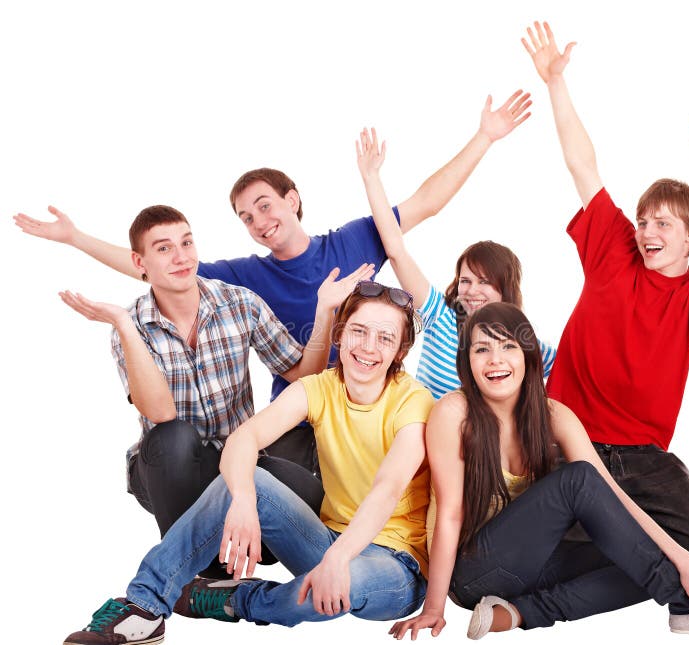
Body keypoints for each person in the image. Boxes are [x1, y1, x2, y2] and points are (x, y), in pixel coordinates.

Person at [14, 90, 531, 475]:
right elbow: (156, 268)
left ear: (293, 199)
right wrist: (76, 237)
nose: (259, 221)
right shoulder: (244, 277)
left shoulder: (354, 240)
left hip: (373, 410)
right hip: (302, 418)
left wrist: (484, 136)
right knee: (283, 491)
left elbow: (427, 201)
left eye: (265, 206)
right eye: (245, 217)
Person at [64, 281, 435, 645]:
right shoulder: (320, 387)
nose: (369, 347)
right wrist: (242, 499)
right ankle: (143, 606)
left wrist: (338, 558)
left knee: (338, 587)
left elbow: (388, 488)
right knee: (243, 478)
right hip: (325, 540)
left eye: (385, 338)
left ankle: (234, 599)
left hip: (395, 564)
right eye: (359, 331)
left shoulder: (414, 402)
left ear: (400, 352)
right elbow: (245, 439)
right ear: (340, 334)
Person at [521, 19, 689, 599]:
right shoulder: (615, 250)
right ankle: (561, 566)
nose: (647, 231)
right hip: (567, 437)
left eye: (663, 224)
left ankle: (598, 548)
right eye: (645, 220)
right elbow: (583, 165)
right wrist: (555, 83)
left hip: (640, 456)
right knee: (593, 529)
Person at [389, 303, 689, 640]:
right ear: (467, 360)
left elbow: (612, 495)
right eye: (482, 349)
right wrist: (435, 605)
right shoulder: (454, 414)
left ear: (527, 356)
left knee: (635, 552)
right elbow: (451, 514)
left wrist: (687, 560)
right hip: (471, 571)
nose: (496, 360)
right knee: (576, 481)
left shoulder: (553, 415)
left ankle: (521, 613)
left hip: (531, 564)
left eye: (508, 346)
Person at [60, 204, 371, 573]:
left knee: (308, 500)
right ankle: (188, 574)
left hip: (238, 462)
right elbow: (160, 413)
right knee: (174, 436)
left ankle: (234, 547)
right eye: (164, 249)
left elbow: (302, 375)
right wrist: (124, 326)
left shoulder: (238, 303)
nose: (181, 257)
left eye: (186, 243)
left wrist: (325, 313)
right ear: (139, 262)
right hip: (170, 471)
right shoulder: (133, 326)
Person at [355, 127, 556, 400]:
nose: (472, 290)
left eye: (484, 282)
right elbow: (396, 251)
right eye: (465, 281)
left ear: (504, 289)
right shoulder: (441, 316)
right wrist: (371, 178)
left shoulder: (519, 338)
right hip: (425, 436)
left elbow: (572, 366)